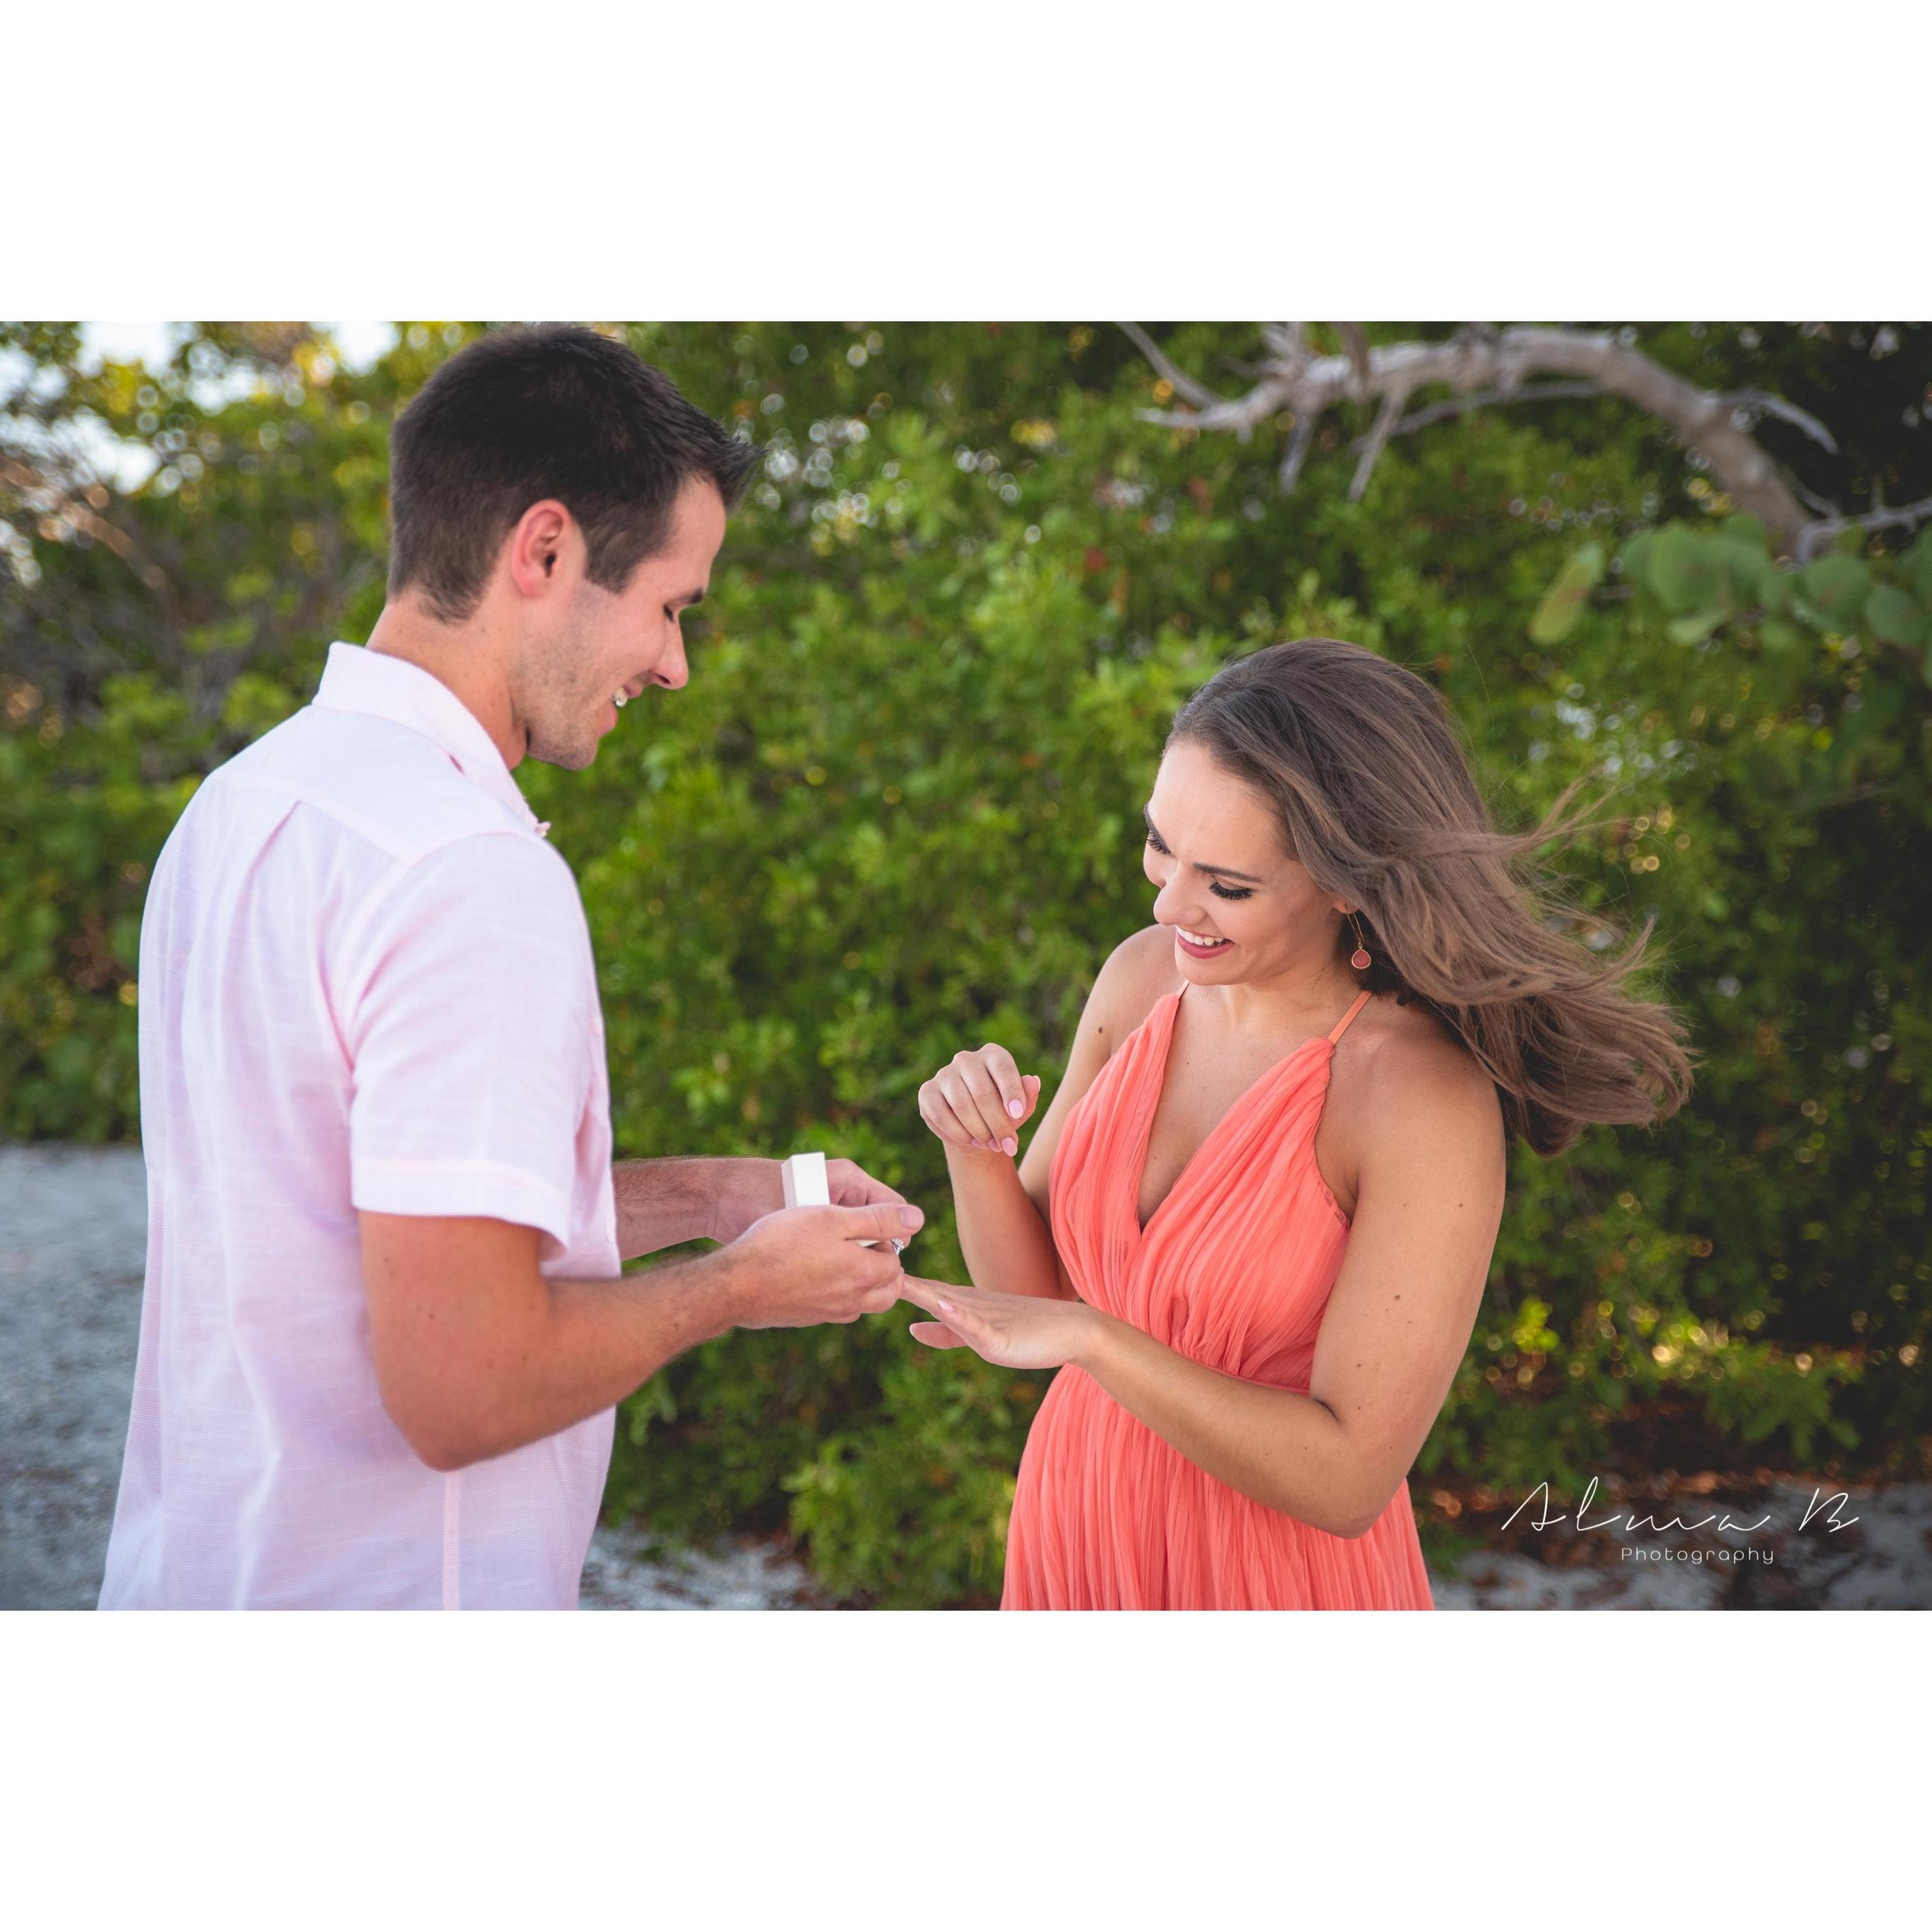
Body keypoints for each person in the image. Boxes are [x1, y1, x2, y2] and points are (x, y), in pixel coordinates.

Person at [99, 324, 922, 1610]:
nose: (675, 664)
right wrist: (736, 1288)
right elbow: (467, 1384)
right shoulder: (466, 870)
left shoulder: (243, 805)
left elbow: (373, 1222)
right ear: (542, 551)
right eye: (668, 605)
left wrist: (718, 1194)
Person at [903, 637, 1694, 1609]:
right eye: (1161, 844)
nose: (1169, 901)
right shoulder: (1142, 976)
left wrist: (1098, 1343)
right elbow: (1026, 1297)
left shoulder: (1416, 1098)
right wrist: (972, 1147)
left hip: (1268, 1571)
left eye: (1225, 884)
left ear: (1345, 879)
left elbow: (1349, 1478)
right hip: (1079, 1514)